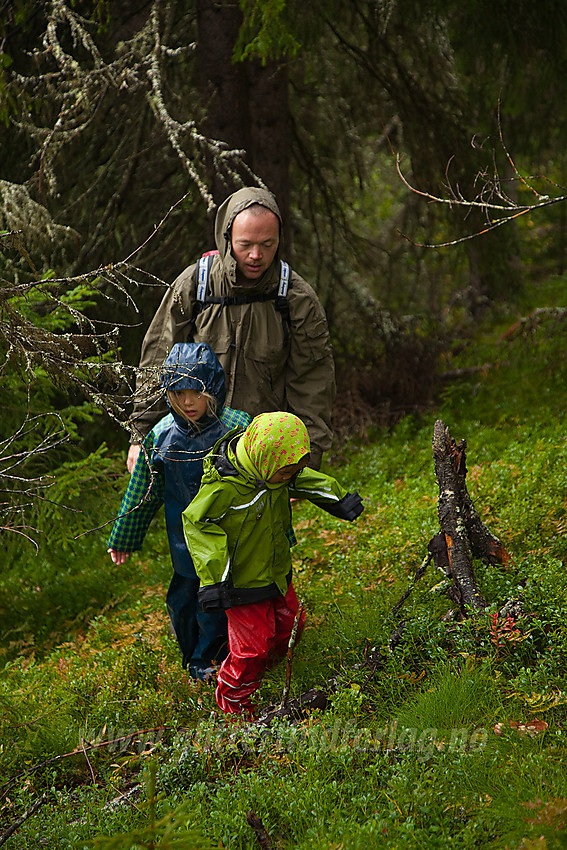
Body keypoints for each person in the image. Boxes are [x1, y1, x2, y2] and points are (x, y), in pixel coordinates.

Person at [127, 186, 335, 474]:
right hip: (193, 447)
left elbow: (312, 383)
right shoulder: (195, 285)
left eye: (267, 244)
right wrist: (141, 436)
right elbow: (158, 358)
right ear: (227, 238)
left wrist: (306, 459)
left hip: (262, 453)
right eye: (245, 243)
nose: (255, 255)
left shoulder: (296, 298)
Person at [182, 411, 364, 717]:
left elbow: (305, 480)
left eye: (292, 472)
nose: (289, 479)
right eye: (285, 473)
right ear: (264, 461)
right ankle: (234, 698)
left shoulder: (276, 474)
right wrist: (215, 579)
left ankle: (272, 671)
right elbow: (196, 524)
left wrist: (339, 498)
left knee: (290, 624)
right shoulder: (224, 489)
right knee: (252, 645)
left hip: (276, 572)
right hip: (240, 583)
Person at [107, 342, 251, 680]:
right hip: (185, 541)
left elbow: (262, 487)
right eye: (179, 392)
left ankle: (217, 659)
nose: (188, 402)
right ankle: (195, 658)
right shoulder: (160, 437)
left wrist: (280, 536)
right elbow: (143, 491)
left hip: (232, 536)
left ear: (212, 390)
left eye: (196, 392)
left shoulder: (236, 427)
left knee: (223, 600)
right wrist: (124, 537)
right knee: (183, 602)